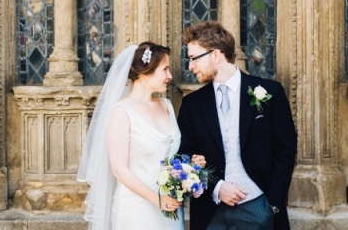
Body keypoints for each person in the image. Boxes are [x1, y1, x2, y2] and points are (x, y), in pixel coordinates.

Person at [177, 21, 297, 230]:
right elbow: (185, 156)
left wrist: (272, 206)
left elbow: (285, 151)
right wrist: (217, 187)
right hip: (210, 213)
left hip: (259, 209)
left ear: (215, 55)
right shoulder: (192, 104)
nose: (190, 66)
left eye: (193, 58)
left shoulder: (271, 92)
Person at [78, 42, 205, 230]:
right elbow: (120, 169)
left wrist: (192, 165)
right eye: (165, 69)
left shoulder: (166, 105)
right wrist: (157, 200)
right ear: (146, 72)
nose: (170, 76)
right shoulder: (122, 112)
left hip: (170, 207)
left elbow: (169, 155)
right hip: (136, 209)